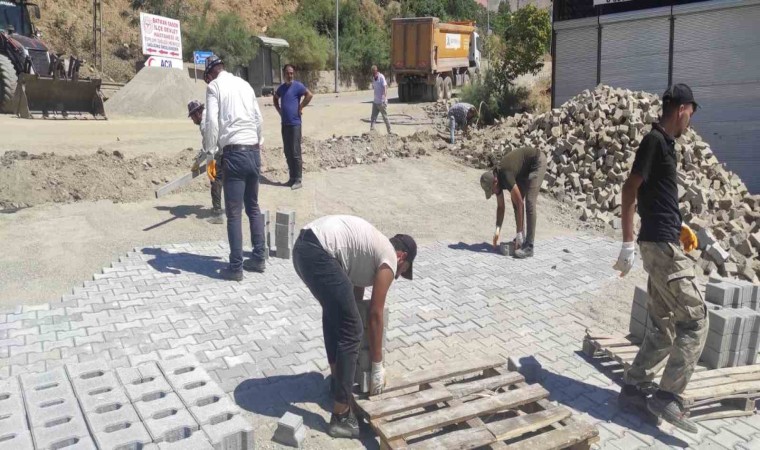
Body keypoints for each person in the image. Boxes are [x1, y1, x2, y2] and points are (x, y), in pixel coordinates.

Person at [615, 84, 704, 434]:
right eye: (690, 115)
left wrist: (680, 226)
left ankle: (634, 388)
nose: (690, 122)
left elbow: (657, 195)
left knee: (664, 326)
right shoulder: (654, 141)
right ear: (682, 109)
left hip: (664, 240)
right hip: (661, 247)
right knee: (696, 321)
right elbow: (630, 188)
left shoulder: (666, 145)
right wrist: (626, 243)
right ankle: (667, 396)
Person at [292, 215, 417, 438]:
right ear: (402, 257)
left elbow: (354, 302)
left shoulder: (367, 253)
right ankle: (341, 416)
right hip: (319, 252)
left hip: (303, 247)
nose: (397, 276)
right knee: (352, 329)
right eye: (402, 270)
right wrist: (377, 366)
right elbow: (375, 314)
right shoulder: (389, 256)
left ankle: (337, 382)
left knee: (336, 316)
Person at [203, 55, 267, 281]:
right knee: (253, 207)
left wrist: (210, 152)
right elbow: (258, 119)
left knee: (233, 214)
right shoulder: (245, 84)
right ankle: (259, 257)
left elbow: (211, 121)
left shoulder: (214, 87)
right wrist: (257, 142)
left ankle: (236, 268)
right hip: (253, 151)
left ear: (210, 74)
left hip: (234, 154)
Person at [479, 147, 547, 259]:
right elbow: (501, 207)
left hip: (536, 162)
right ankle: (521, 238)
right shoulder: (496, 180)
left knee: (529, 202)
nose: (493, 193)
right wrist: (497, 231)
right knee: (515, 201)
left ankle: (529, 246)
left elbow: (520, 202)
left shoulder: (505, 175)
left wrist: (518, 233)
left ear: (495, 182)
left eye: (492, 191)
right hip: (523, 170)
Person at [274, 64, 313, 190]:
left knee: (296, 152)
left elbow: (309, 95)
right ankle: (291, 178)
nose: (290, 75)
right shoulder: (281, 88)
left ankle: (298, 179)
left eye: (291, 73)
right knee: (288, 152)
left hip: (295, 124)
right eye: (287, 73)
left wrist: (301, 106)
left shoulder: (298, 86)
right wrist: (279, 110)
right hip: (284, 124)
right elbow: (275, 98)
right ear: (284, 74)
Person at [188, 100, 224, 224]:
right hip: (227, 149)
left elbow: (207, 147)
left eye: (192, 117)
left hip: (217, 153)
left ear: (197, 113)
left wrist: (197, 162)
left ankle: (217, 214)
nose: (193, 121)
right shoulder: (211, 114)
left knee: (214, 178)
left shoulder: (204, 123)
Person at [370, 65, 391, 134]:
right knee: (373, 117)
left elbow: (385, 87)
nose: (373, 73)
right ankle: (372, 132)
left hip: (381, 102)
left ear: (376, 71)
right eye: (372, 72)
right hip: (375, 102)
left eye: (374, 72)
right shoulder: (373, 78)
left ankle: (390, 131)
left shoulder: (381, 77)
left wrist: (384, 98)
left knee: (385, 117)